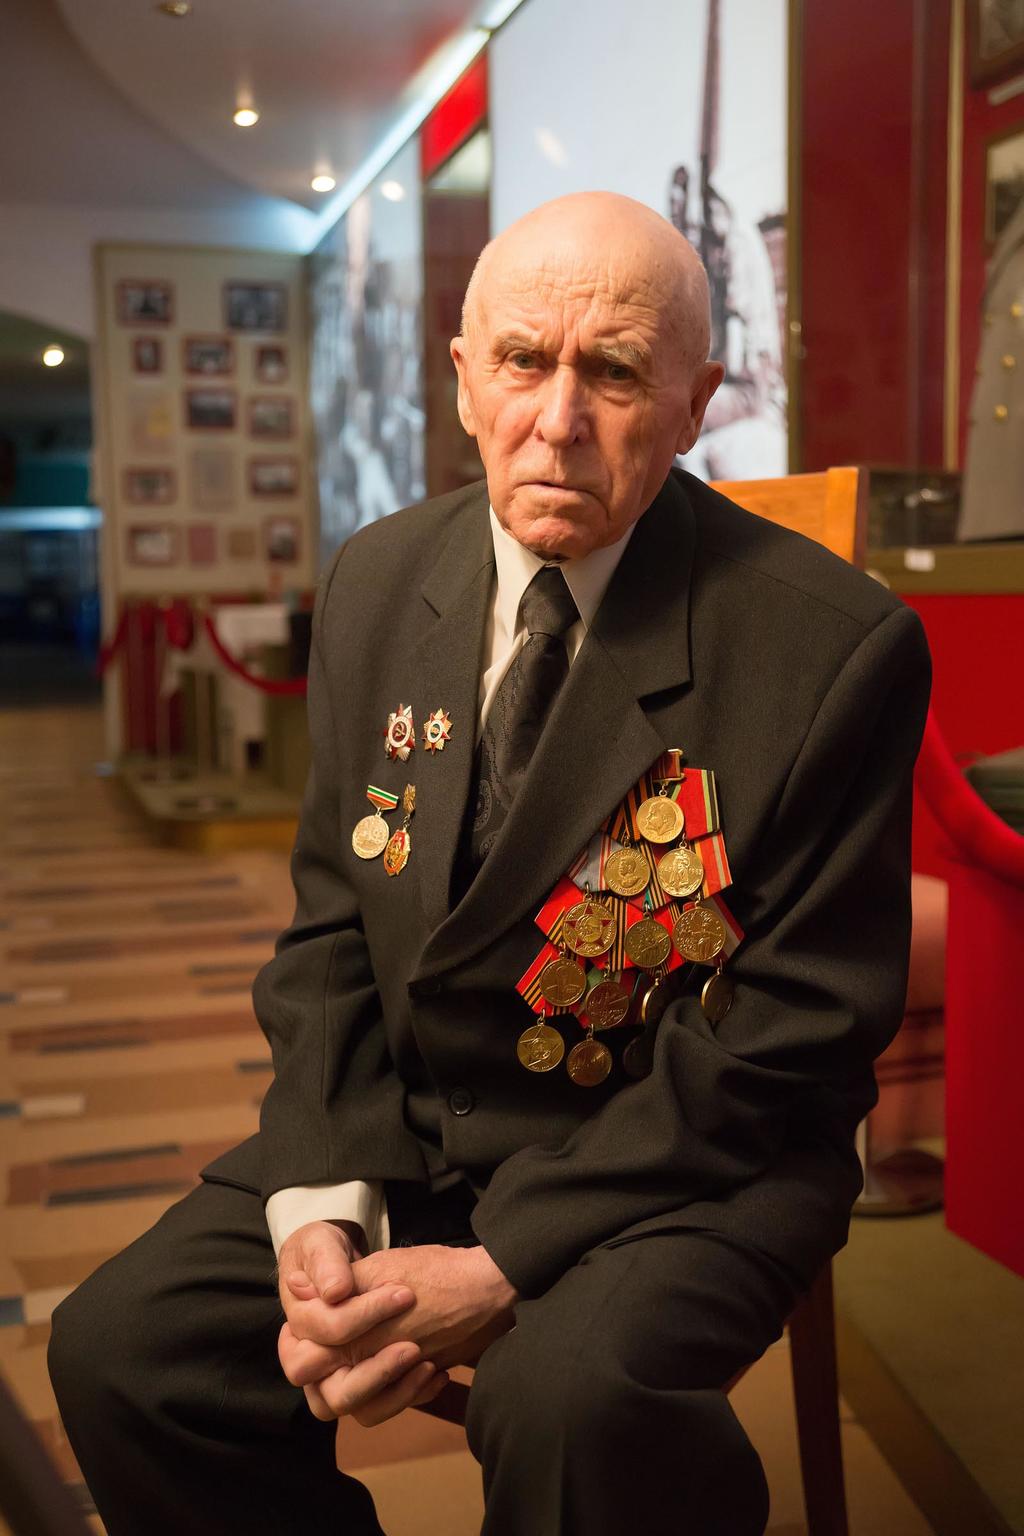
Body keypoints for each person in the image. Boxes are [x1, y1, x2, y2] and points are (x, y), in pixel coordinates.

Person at [48, 191, 931, 1536]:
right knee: (126, 1351)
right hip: (412, 1121)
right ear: (465, 379)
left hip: (686, 1156)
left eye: (615, 373)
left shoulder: (829, 648)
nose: (558, 420)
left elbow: (791, 1036)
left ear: (695, 404)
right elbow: (332, 929)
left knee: (568, 1408)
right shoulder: (378, 579)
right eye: (523, 360)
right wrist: (322, 1204)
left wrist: (506, 1259)